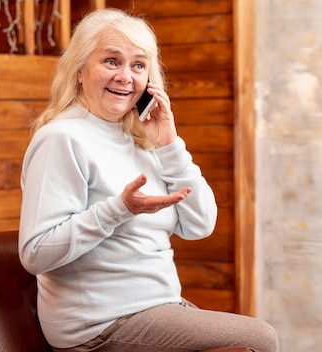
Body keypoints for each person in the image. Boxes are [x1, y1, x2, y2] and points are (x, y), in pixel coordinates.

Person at [18, 8, 278, 352]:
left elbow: (200, 224)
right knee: (260, 340)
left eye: (138, 65)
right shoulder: (62, 138)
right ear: (80, 71)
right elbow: (34, 254)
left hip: (158, 309)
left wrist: (169, 143)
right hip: (98, 326)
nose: (126, 76)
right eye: (111, 61)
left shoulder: (140, 139)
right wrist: (119, 209)